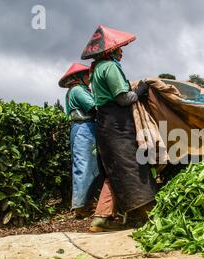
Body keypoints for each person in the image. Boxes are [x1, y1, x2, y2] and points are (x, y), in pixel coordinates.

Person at [81, 25, 157, 230]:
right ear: (110, 51)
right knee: (132, 167)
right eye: (119, 48)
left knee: (115, 171)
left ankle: (101, 218)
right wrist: (140, 91)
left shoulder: (96, 69)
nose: (122, 51)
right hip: (117, 125)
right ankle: (149, 215)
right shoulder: (110, 67)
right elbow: (123, 98)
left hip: (106, 125)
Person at [58, 63, 101, 218]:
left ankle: (87, 203)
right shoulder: (77, 90)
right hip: (83, 128)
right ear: (78, 77)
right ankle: (80, 206)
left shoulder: (81, 90)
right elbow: (93, 106)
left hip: (87, 128)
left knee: (92, 166)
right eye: (86, 75)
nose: (89, 78)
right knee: (84, 166)